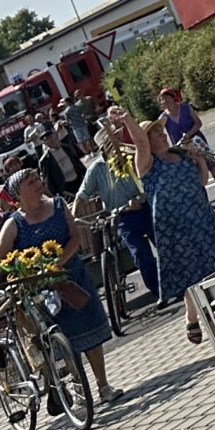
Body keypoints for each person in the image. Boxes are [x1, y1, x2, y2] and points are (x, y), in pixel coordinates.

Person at [0, 169, 122, 405]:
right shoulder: (13, 224)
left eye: (37, 179)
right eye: (30, 182)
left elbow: (75, 237)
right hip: (41, 291)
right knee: (61, 339)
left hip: (73, 278)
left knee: (89, 329)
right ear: (18, 194)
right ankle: (78, 388)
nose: (38, 183)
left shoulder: (58, 205)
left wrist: (57, 264)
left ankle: (103, 385)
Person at [125, 109, 215, 342]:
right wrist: (126, 119)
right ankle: (198, 317)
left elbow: (201, 181)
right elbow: (140, 143)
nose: (163, 136)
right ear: (148, 142)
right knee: (191, 276)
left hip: (202, 220)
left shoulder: (181, 156)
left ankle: (212, 314)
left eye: (162, 132)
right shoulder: (147, 165)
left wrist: (199, 160)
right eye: (156, 134)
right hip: (175, 231)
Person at [77, 125, 159, 311]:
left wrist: (139, 197)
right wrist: (73, 216)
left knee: (163, 244)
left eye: (116, 141)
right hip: (122, 217)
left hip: (144, 208)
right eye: (110, 143)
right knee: (140, 253)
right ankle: (158, 289)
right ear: (103, 147)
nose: (115, 146)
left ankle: (176, 280)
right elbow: (82, 195)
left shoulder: (129, 156)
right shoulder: (97, 169)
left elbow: (146, 172)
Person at [158, 89, 215, 195]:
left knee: (211, 165)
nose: (164, 101)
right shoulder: (163, 118)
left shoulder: (185, 108)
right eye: (162, 100)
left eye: (166, 98)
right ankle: (203, 198)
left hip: (197, 141)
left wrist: (188, 134)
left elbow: (198, 123)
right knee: (194, 172)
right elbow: (160, 135)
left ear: (172, 98)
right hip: (182, 148)